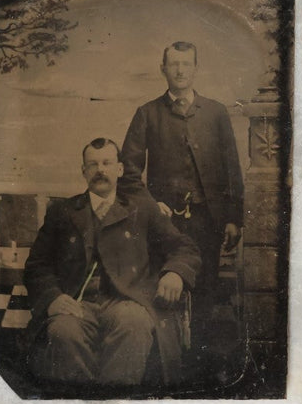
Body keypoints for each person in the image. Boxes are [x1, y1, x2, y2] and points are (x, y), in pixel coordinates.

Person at [24, 138, 201, 388]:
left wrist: (175, 274)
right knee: (63, 331)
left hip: (128, 300)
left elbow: (184, 248)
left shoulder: (143, 208)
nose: (100, 170)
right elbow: (37, 265)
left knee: (134, 324)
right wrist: (52, 297)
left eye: (107, 163)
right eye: (93, 165)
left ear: (119, 170)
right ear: (83, 171)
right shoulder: (62, 212)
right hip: (78, 302)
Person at [119, 41, 245, 382]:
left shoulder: (216, 112)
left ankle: (197, 368)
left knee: (204, 293)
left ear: (195, 68)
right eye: (173, 64)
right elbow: (129, 171)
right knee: (165, 289)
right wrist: (149, 204)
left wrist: (234, 218)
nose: (179, 70)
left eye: (186, 64)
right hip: (165, 222)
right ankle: (166, 367)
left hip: (208, 221)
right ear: (163, 69)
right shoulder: (147, 113)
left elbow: (232, 168)